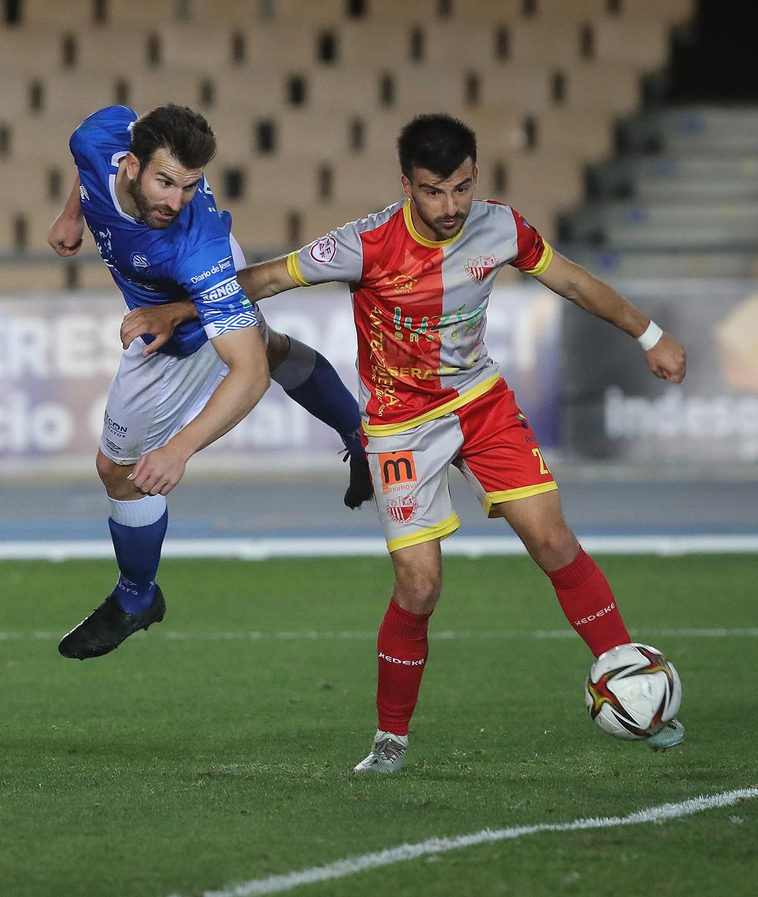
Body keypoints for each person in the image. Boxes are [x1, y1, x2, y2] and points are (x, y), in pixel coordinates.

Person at [125, 114, 689, 772]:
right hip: (400, 426)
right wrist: (178, 310)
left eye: (461, 188)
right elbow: (266, 279)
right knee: (420, 587)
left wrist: (649, 335)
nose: (450, 208)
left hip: (480, 402)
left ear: (475, 177)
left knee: (554, 540)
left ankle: (629, 678)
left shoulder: (501, 226)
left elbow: (569, 279)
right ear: (407, 185)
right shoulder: (365, 243)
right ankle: (391, 737)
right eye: (433, 191)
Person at [47, 104, 370, 660]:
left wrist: (179, 450)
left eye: (190, 186)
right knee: (271, 343)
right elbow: (91, 153)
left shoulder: (195, 246)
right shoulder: (95, 138)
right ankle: (360, 434)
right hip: (195, 280)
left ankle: (135, 598)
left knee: (118, 471)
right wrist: (74, 213)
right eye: (165, 182)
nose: (174, 201)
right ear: (128, 164)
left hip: (186, 320)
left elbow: (249, 375)